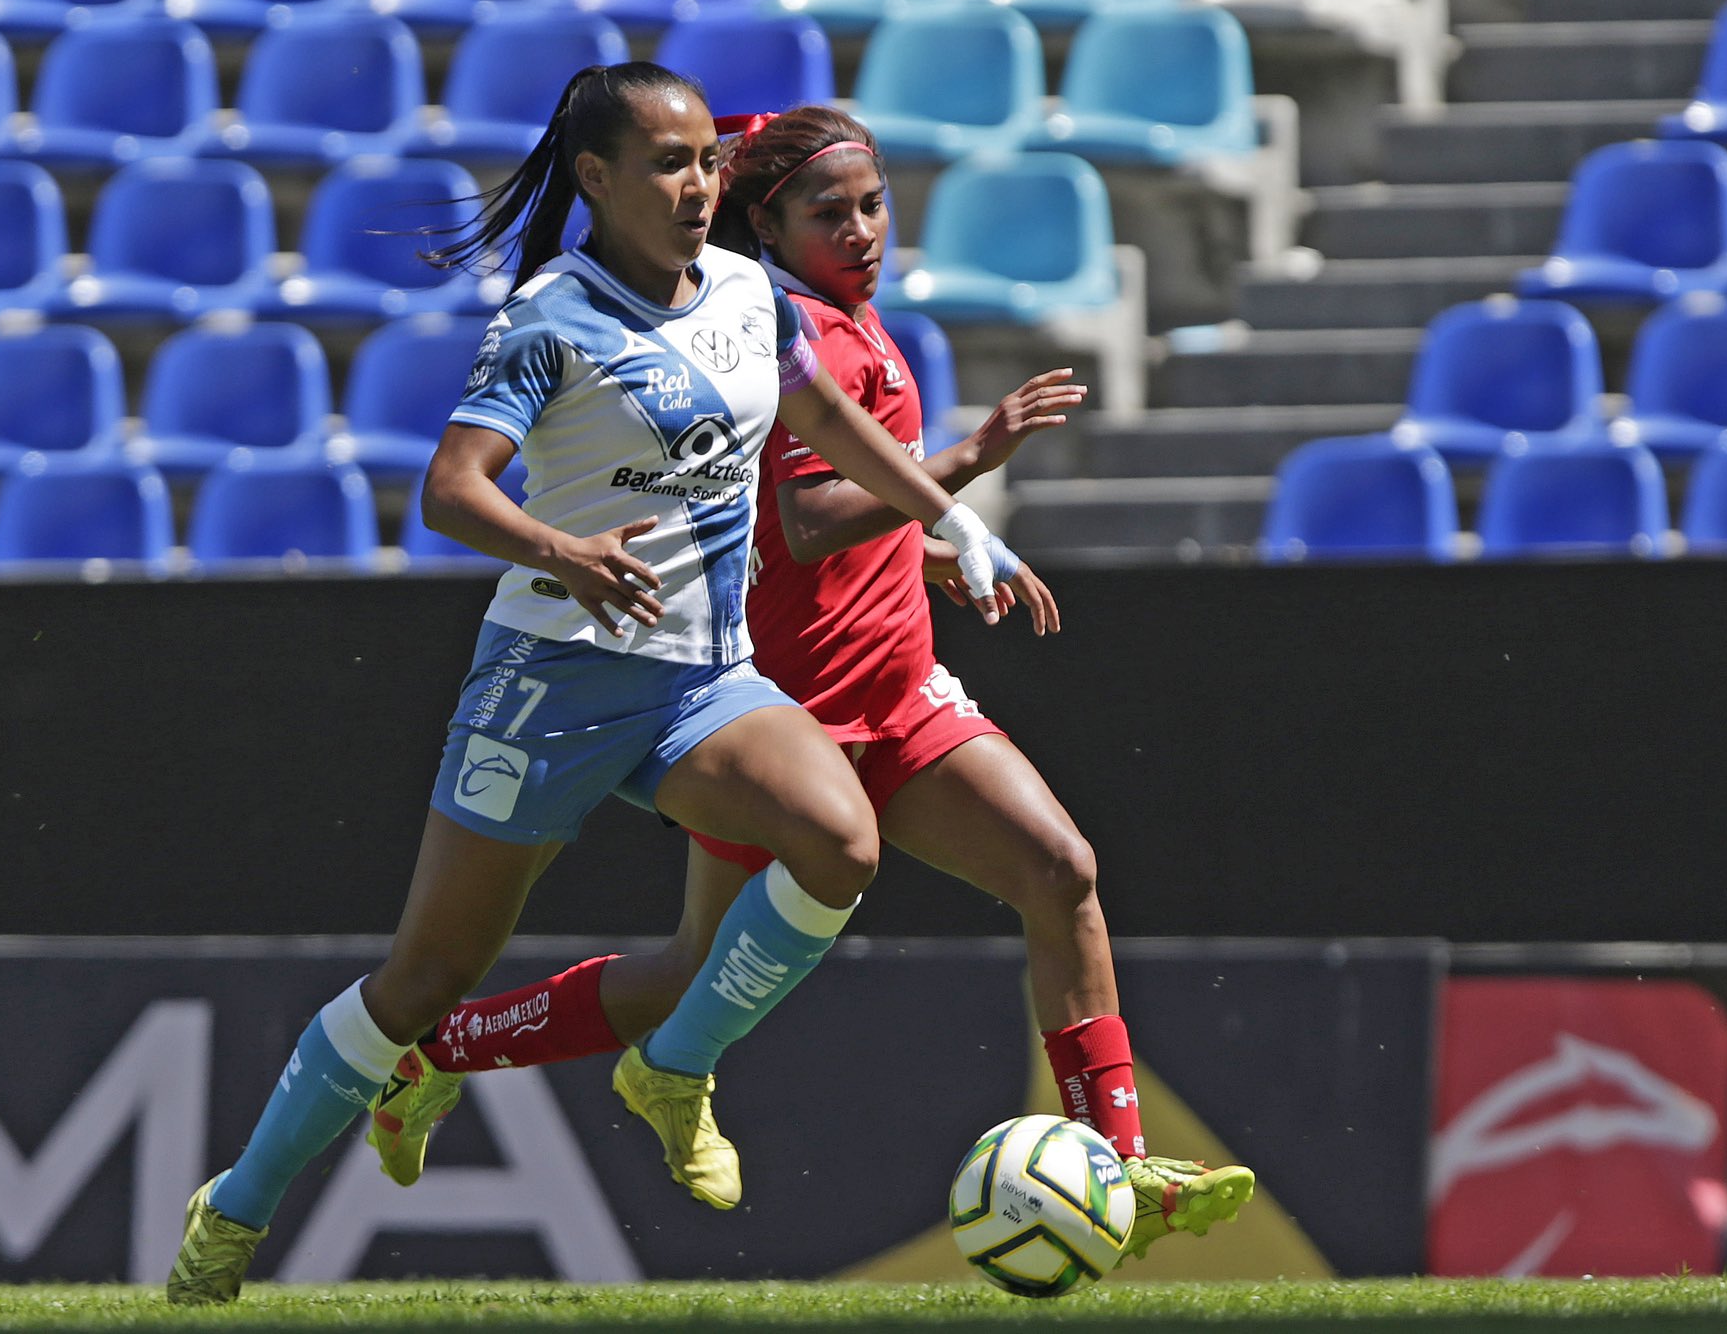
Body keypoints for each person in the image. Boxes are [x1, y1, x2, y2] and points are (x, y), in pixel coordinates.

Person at [166, 67, 1017, 1305]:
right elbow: (450, 489)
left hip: (699, 685)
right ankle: (236, 1208)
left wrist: (950, 514)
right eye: (666, 163)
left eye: (705, 162)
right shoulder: (551, 316)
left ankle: (671, 1068)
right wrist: (563, 551)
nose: (695, 185)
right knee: (422, 983)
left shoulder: (744, 290)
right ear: (595, 179)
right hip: (550, 685)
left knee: (840, 840)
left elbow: (822, 418)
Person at [362, 105, 1256, 1263]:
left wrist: (929, 556)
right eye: (827, 213)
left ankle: (1119, 1169)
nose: (861, 229)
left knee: (1062, 871)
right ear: (768, 228)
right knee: (687, 972)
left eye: (872, 206)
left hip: (897, 695)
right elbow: (808, 514)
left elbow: (811, 534)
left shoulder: (858, 324)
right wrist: (964, 471)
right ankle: (441, 1052)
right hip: (786, 719)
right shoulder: (780, 334)